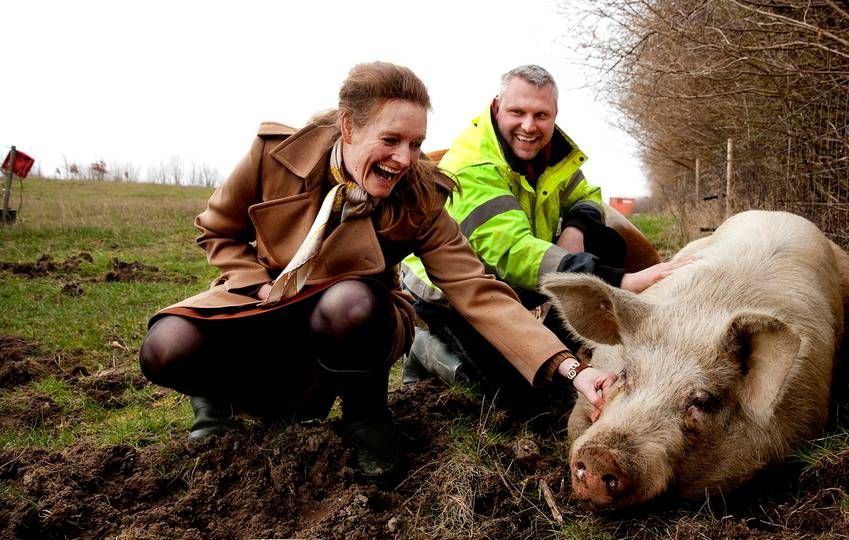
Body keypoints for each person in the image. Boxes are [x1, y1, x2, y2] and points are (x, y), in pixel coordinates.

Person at [138, 62, 616, 484]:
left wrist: (571, 369)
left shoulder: (421, 195)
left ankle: (366, 416)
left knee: (352, 300)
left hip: (352, 320)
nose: (404, 159)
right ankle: (214, 398)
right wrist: (256, 282)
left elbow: (476, 290)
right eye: (390, 140)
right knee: (166, 347)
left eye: (416, 143)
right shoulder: (273, 155)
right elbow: (217, 230)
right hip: (265, 302)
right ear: (348, 126)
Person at [401, 64, 691, 394]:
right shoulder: (472, 165)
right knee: (507, 391)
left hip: (518, 277)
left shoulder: (552, 153)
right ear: (497, 107)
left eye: (541, 115)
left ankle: (560, 348)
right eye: (517, 112)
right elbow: (512, 253)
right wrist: (618, 280)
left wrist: (576, 228)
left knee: (605, 240)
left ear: (554, 115)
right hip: (457, 292)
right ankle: (424, 350)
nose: (529, 126)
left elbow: (587, 197)